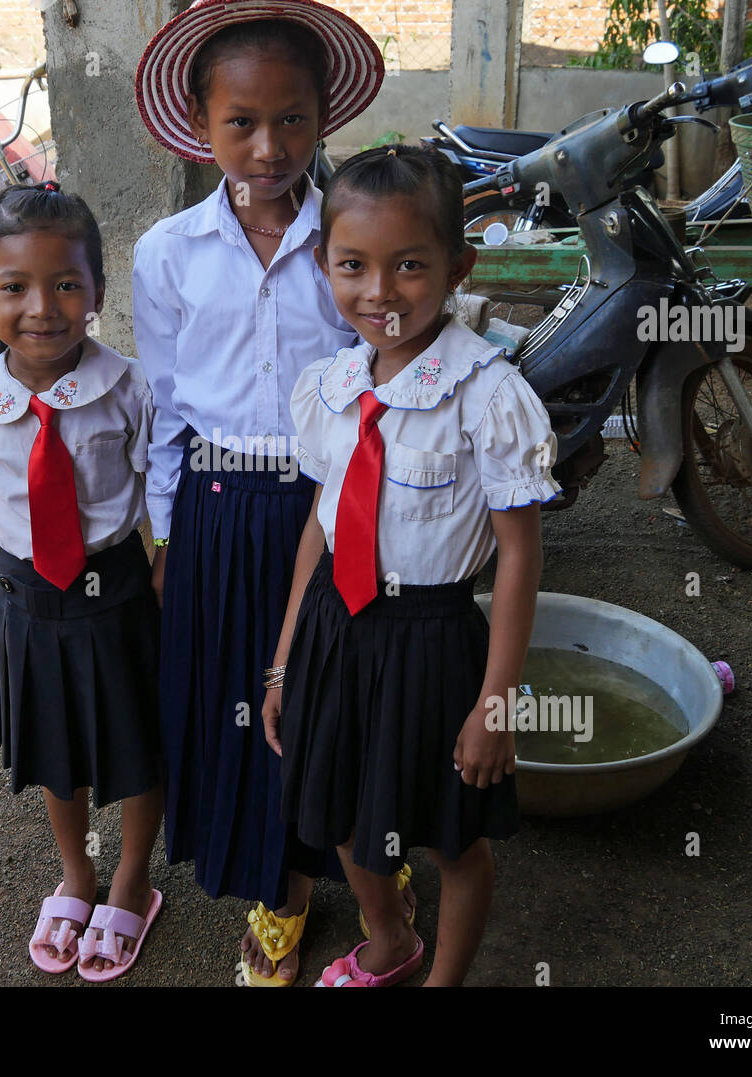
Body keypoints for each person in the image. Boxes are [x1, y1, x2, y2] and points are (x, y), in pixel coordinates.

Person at [132, 0, 406, 986]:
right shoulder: (167, 254)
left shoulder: (348, 244)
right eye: (240, 121)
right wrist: (166, 539)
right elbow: (165, 403)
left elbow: (390, 367)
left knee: (335, 696)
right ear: (200, 123)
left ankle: (372, 865)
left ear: (321, 117)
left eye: (291, 119)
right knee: (244, 703)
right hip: (215, 511)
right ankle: (280, 888)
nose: (267, 146)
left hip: (329, 508)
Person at [262, 144, 560, 987]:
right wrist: (283, 658)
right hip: (333, 627)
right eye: (353, 265)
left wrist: (496, 702)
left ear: (458, 266)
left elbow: (519, 551)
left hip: (430, 641)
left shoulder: (490, 395)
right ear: (323, 263)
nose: (380, 292)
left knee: (451, 833)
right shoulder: (327, 387)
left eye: (410, 266)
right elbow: (321, 532)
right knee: (346, 809)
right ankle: (390, 941)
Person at [0, 181, 163, 983]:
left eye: (66, 284)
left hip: (118, 594)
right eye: (13, 286)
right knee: (56, 748)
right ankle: (77, 875)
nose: (41, 307)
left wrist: (162, 579)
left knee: (136, 742)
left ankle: (131, 875)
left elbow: (157, 494)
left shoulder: (128, 390)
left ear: (96, 290)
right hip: (24, 599)